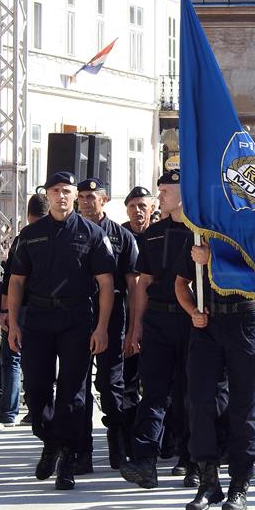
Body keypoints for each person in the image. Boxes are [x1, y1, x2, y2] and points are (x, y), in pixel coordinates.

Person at [7, 171, 116, 490]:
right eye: (55, 190)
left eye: (67, 190)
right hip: (39, 317)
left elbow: (107, 284)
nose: (61, 196)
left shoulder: (91, 233)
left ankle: (67, 457)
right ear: (47, 194)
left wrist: (102, 327)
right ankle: (50, 440)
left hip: (77, 317)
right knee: (36, 389)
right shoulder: (30, 234)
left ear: (75, 196)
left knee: (72, 392)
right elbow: (16, 281)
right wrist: (13, 323)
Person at [175, 235, 255, 510]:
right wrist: (192, 311)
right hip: (208, 323)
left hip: (245, 318)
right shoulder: (197, 235)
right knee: (200, 401)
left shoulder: (254, 233)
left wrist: (213, 259)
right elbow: (181, 283)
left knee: (245, 404)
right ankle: (208, 481)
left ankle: (239, 483)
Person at [120, 170, 198, 489]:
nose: (160, 195)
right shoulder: (152, 234)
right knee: (153, 391)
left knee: (192, 393)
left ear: (183, 193)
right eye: (160, 190)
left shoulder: (201, 231)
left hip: (192, 320)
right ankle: (145, 460)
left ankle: (193, 460)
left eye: (166, 190)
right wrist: (136, 326)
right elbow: (143, 283)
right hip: (158, 320)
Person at [77, 178, 139, 473]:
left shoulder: (121, 236)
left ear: (104, 201)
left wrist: (134, 327)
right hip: (78, 312)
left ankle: (117, 440)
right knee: (76, 384)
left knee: (110, 383)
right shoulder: (71, 231)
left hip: (113, 314)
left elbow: (133, 282)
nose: (86, 202)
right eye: (82, 197)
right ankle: (81, 449)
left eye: (91, 197)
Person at [0, 194, 49, 428]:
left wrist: (6, 311)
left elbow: (10, 278)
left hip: (22, 306)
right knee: (41, 360)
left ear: (28, 215)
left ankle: (9, 411)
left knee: (13, 359)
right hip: (46, 307)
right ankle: (37, 409)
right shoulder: (56, 236)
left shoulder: (23, 238)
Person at [122, 185, 155, 456]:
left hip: (158, 319)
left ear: (152, 208)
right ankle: (129, 437)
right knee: (128, 380)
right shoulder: (121, 236)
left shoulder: (158, 235)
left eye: (142, 206)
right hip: (126, 318)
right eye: (133, 206)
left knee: (157, 383)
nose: (137, 211)